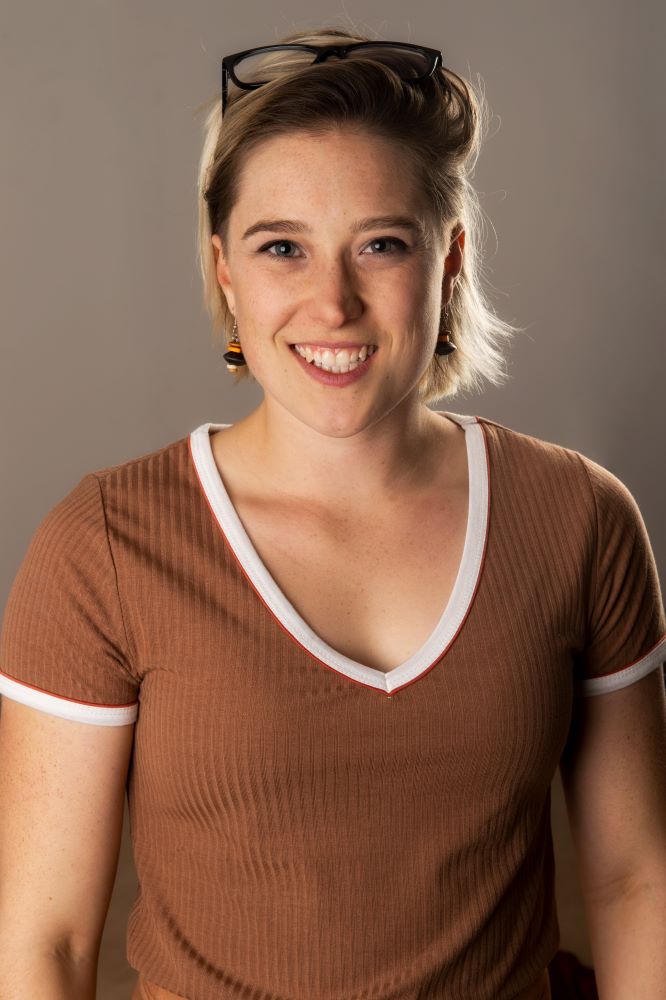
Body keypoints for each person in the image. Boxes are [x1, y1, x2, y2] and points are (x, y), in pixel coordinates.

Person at [0, 24, 664, 1000]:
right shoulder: (104, 544)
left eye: (381, 245)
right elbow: (46, 943)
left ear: (449, 262)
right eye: (283, 248)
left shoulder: (579, 518)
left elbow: (635, 877)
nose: (334, 302)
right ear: (225, 268)